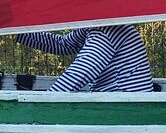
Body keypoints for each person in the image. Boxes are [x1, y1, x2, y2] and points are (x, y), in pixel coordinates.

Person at [15, 25, 153, 92]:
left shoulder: (108, 30)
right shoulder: (95, 28)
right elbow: (63, 44)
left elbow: (82, 72)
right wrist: (15, 31)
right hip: (121, 104)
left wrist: (39, 104)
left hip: (125, 109)